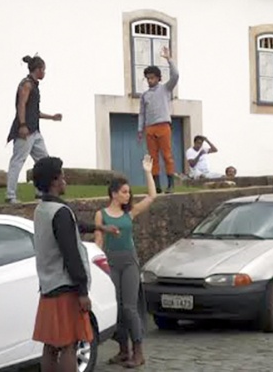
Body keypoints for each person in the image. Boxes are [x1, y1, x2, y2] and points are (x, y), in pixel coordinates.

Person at [31, 156, 115, 372]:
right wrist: (82, 291)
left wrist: (99, 229)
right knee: (69, 344)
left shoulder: (42, 209)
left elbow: (73, 226)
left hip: (48, 286)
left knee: (50, 345)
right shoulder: (60, 212)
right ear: (55, 180)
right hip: (66, 287)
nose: (65, 179)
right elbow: (71, 254)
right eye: (62, 175)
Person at [94, 154, 157, 368]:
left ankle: (138, 352)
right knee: (116, 308)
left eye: (129, 192)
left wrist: (148, 172)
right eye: (124, 192)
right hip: (111, 263)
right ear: (113, 194)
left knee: (130, 307)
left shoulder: (129, 213)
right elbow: (99, 241)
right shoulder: (101, 215)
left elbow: (152, 196)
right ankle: (123, 350)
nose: (128, 195)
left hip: (129, 262)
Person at [5, 55, 63, 204]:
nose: (44, 73)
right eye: (43, 70)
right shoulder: (27, 84)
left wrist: (51, 117)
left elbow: (34, 111)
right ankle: (10, 194)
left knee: (44, 160)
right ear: (37, 70)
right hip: (26, 130)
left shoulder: (34, 86)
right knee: (18, 161)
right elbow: (21, 105)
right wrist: (23, 125)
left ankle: (41, 192)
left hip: (35, 131)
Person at [138, 46, 179, 194]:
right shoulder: (145, 95)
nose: (150, 80)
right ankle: (156, 185)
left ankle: (170, 184)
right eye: (148, 78)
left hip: (163, 126)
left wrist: (169, 59)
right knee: (153, 158)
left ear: (158, 78)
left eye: (152, 78)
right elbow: (142, 113)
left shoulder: (166, 89)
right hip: (150, 127)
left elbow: (176, 75)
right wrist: (140, 129)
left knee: (167, 156)